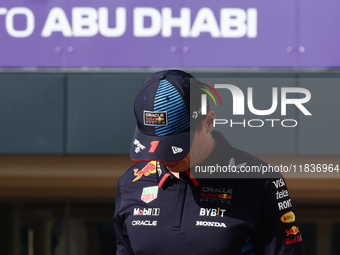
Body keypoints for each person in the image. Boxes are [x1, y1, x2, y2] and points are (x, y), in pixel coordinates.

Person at [113, 70, 305, 255]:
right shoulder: (130, 183)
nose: (164, 157)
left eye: (175, 145)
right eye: (154, 145)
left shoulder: (260, 181)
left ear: (208, 122)